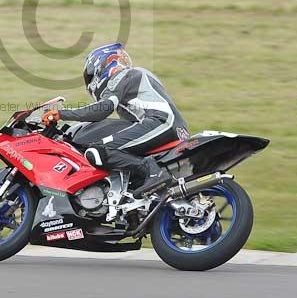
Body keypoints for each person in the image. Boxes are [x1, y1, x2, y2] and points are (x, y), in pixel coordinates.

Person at [41, 43, 189, 198]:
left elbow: (102, 109)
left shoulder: (123, 76)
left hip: (160, 122)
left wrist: (61, 114)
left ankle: (152, 171)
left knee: (97, 151)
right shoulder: (137, 78)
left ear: (99, 68)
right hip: (169, 125)